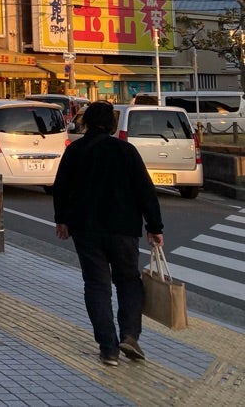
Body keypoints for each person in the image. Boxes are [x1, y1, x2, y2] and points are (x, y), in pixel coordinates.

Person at [52, 99, 164, 367]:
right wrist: (154, 227)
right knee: (128, 281)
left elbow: (61, 187)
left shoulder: (76, 151)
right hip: (123, 228)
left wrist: (62, 220)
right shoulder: (126, 151)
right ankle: (129, 335)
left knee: (96, 284)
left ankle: (108, 348)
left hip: (86, 228)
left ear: (87, 123)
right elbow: (144, 190)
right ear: (113, 126)